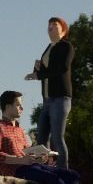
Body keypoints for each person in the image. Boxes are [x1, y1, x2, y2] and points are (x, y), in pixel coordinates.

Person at [24, 16, 73, 169]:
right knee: (42, 138)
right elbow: (46, 72)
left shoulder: (66, 47)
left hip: (60, 98)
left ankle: (63, 170)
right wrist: (37, 70)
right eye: (48, 25)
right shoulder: (48, 47)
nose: (50, 28)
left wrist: (39, 74)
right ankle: (42, 170)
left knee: (57, 138)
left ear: (63, 30)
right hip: (47, 99)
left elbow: (61, 69)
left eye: (54, 25)